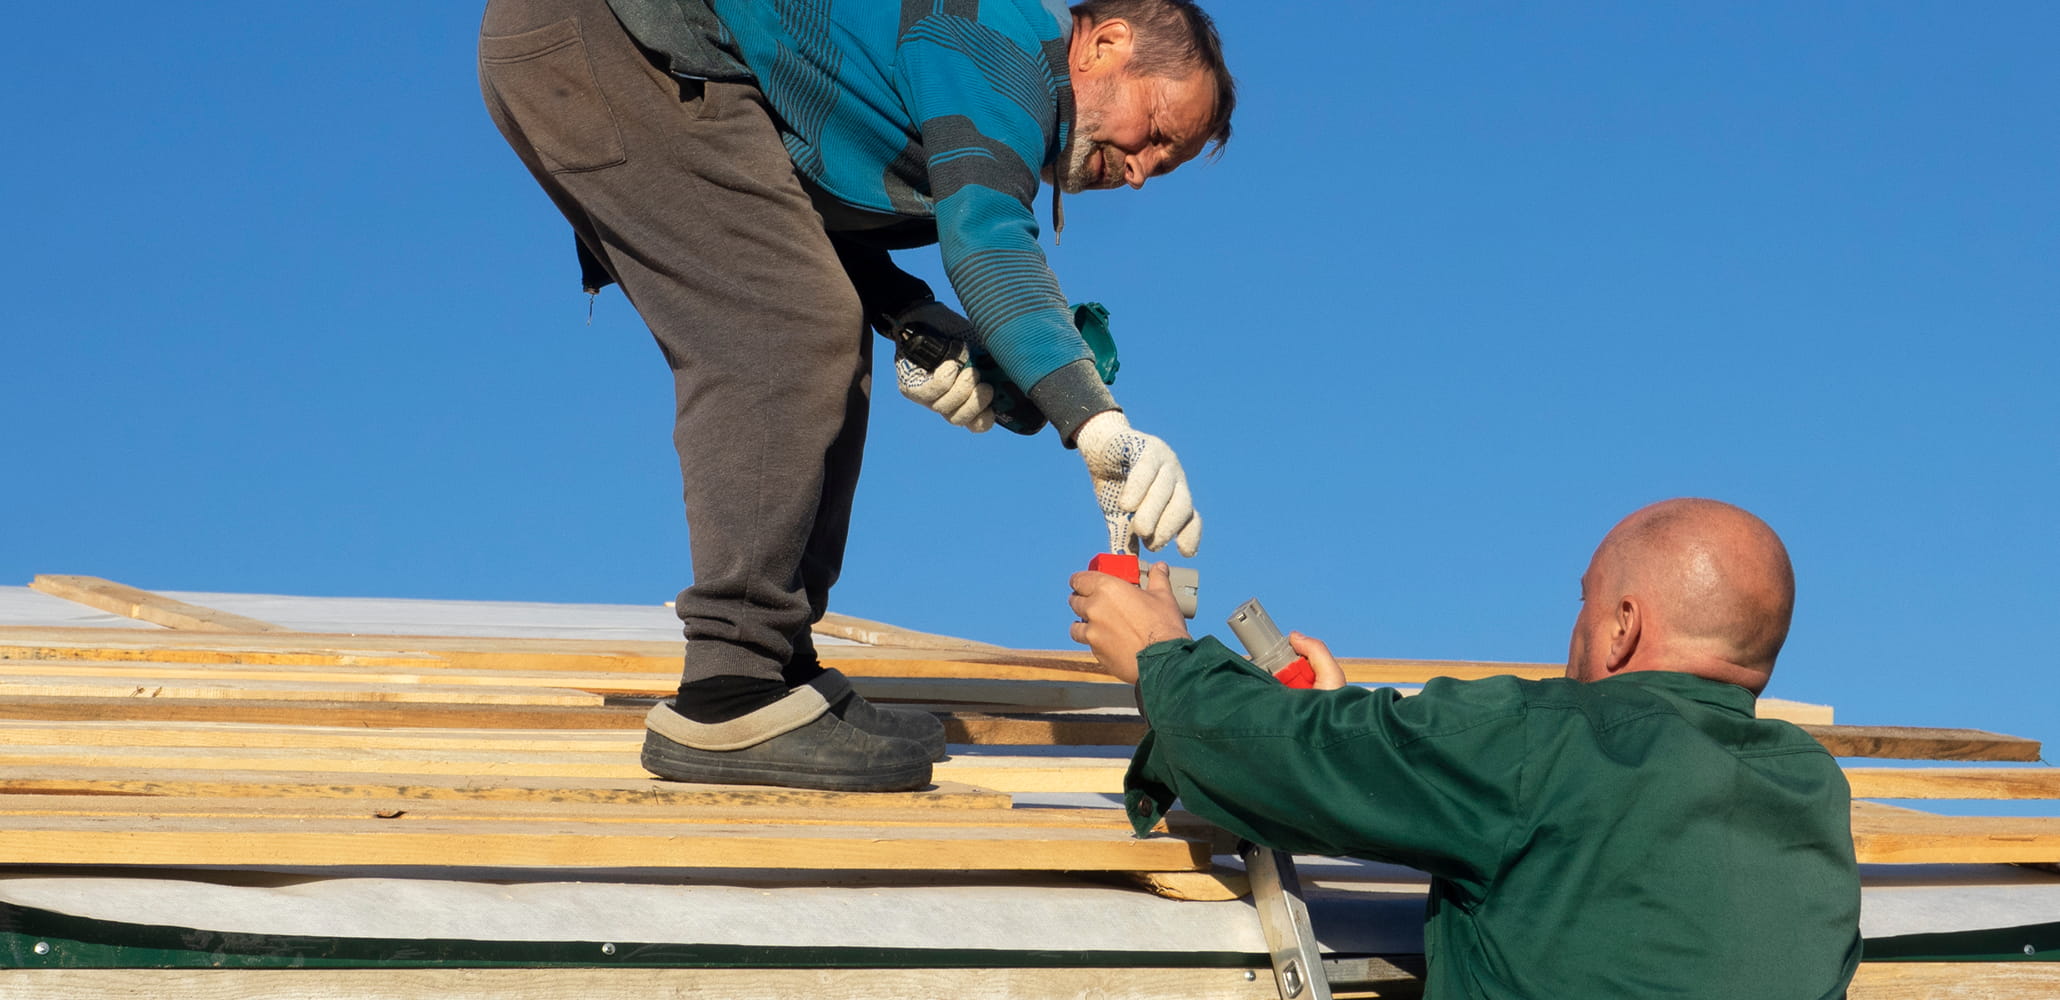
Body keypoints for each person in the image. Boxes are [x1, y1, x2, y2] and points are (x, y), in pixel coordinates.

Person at [479, 0, 1233, 791]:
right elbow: (987, 238)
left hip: (624, 52)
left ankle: (775, 670)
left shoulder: (971, 77)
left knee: (816, 324)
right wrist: (1097, 422)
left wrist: (919, 323)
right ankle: (730, 696)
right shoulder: (1006, 49)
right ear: (1107, 45)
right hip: (609, 38)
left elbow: (797, 210)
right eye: (1156, 130)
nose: (1143, 169)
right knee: (787, 328)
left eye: (1165, 164)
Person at [1068, 498, 1863, 998]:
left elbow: (1268, 754)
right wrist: (1342, 717)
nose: (1575, 629)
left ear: (1623, 626)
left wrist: (1161, 655)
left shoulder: (1552, 743)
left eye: (1585, 602)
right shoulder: (1809, 791)